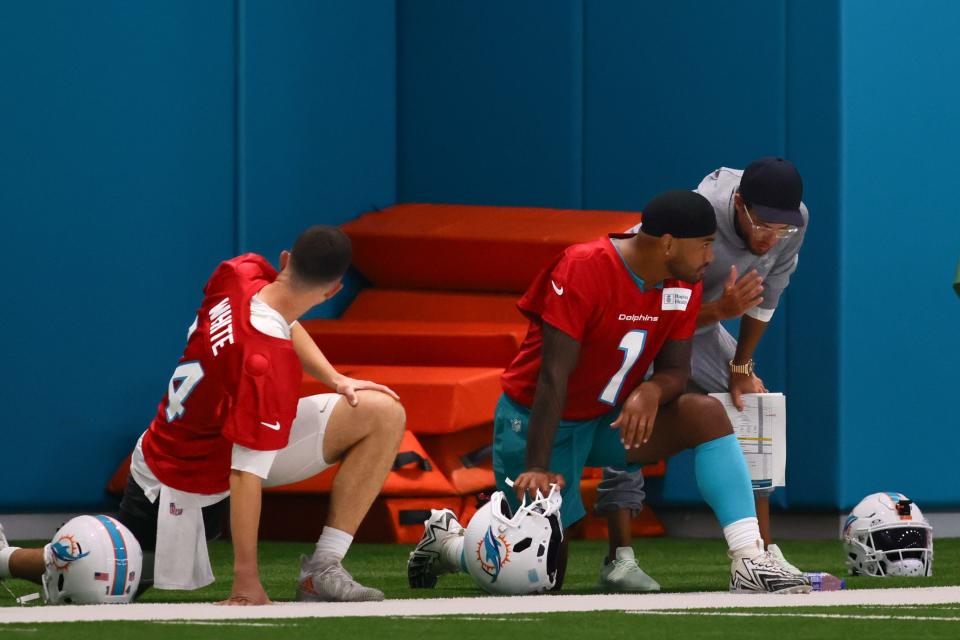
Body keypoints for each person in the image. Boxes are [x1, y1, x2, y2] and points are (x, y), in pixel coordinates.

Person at [407, 190, 810, 594]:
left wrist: (651, 391)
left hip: (605, 420)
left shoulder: (682, 284)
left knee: (705, 414)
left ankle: (748, 558)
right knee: (534, 578)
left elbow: (675, 370)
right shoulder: (583, 266)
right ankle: (449, 545)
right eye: (704, 245)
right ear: (668, 243)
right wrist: (538, 463)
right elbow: (553, 376)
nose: (711, 258)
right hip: (537, 421)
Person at [0, 225, 406, 605]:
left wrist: (335, 378)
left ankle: (322, 568)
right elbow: (245, 475)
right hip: (175, 482)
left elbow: (284, 315)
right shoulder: (266, 364)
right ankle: (7, 558)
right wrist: (247, 579)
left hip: (209, 441)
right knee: (102, 572)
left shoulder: (239, 272)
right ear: (334, 291)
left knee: (382, 414)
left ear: (284, 260)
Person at [597, 157, 809, 591]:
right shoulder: (699, 214)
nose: (771, 238)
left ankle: (761, 554)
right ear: (738, 205)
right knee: (631, 416)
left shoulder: (793, 221)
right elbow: (651, 313)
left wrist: (740, 367)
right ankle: (618, 556)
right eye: (763, 225)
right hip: (644, 319)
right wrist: (720, 310)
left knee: (753, 407)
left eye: (782, 229)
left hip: (704, 322)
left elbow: (766, 300)